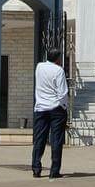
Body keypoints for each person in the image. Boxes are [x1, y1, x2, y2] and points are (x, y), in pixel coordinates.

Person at [32, 48, 68, 179]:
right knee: (56, 140)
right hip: (55, 108)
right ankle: (54, 171)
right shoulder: (59, 71)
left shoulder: (39, 67)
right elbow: (62, 92)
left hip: (41, 108)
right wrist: (64, 106)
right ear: (58, 58)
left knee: (39, 139)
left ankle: (36, 169)